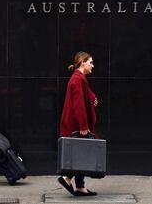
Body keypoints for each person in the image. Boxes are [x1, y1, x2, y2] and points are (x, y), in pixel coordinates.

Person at [57, 51, 99, 196]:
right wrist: (83, 127)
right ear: (82, 62)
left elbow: (86, 94)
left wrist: (92, 97)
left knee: (81, 151)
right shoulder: (77, 80)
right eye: (91, 62)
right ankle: (67, 177)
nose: (92, 66)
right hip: (76, 125)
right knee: (81, 153)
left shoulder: (79, 78)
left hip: (75, 124)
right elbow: (79, 105)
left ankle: (80, 186)